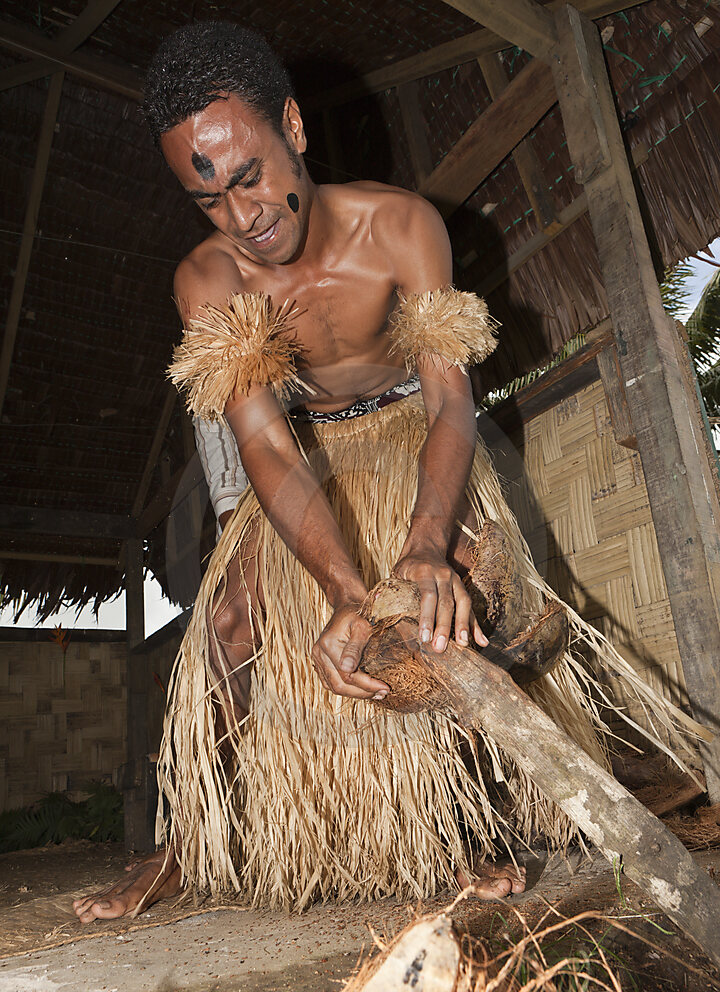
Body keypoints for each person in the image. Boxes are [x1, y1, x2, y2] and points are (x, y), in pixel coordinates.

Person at [74, 21, 696, 923]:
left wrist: (425, 549)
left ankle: (471, 823)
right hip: (308, 462)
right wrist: (345, 594)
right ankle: (187, 840)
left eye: (249, 176)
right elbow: (268, 447)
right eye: (207, 197)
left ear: (292, 125)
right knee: (231, 625)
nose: (241, 215)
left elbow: (452, 405)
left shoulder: (401, 226)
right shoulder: (207, 281)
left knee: (466, 602)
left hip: (417, 439)